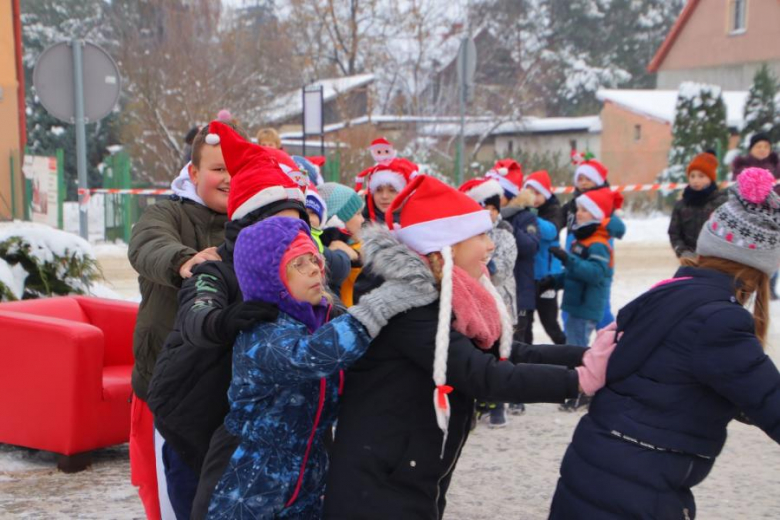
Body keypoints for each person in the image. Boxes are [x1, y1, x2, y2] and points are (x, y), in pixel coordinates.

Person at [324, 175, 616, 519]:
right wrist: (578, 382)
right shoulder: (407, 305)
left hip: (412, 470)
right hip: (379, 482)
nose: (489, 246)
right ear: (446, 245)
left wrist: (588, 357)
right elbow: (482, 374)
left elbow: (506, 352)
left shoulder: (449, 295)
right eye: (479, 235)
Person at [549, 167, 780, 520]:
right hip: (636, 490)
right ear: (760, 268)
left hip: (597, 470)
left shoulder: (672, 292)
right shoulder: (721, 321)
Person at [198, 216, 436, 519]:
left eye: (314, 258)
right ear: (270, 277)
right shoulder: (263, 333)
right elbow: (311, 357)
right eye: (298, 263)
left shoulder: (322, 320)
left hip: (308, 477)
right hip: (248, 483)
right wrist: (380, 306)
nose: (315, 268)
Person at [146, 121, 310, 520]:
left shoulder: (303, 270)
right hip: (192, 414)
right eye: (280, 224)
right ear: (253, 224)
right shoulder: (216, 268)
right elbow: (196, 315)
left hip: (250, 430)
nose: (291, 235)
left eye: (299, 224)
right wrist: (224, 320)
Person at [127, 120, 241, 520]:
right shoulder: (167, 213)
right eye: (218, 169)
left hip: (229, 389)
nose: (228, 178)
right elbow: (147, 245)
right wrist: (183, 260)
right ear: (193, 173)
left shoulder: (256, 220)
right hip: (170, 390)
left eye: (236, 168)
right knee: (178, 495)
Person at [460, 177, 519, 426]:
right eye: (481, 208)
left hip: (500, 303)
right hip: (474, 306)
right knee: (477, 354)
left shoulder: (504, 235)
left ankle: (498, 405)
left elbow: (504, 268)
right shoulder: (465, 235)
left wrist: (484, 265)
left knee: (498, 354)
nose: (487, 213)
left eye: (492, 208)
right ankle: (478, 403)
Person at [561, 159, 626, 329]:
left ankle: (611, 341)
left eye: (587, 179)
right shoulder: (573, 203)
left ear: (597, 181)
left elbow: (619, 228)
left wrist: (602, 222)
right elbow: (556, 219)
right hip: (574, 257)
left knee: (599, 307)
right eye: (580, 179)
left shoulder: (604, 205)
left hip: (596, 258)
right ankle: (572, 344)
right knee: (571, 304)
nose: (583, 183)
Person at [494, 161, 540, 345]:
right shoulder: (486, 216)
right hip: (496, 292)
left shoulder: (525, 216)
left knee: (519, 344)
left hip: (520, 294)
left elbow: (531, 246)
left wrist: (510, 229)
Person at [732, 133, 780, 298]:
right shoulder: (742, 167)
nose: (762, 150)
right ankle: (746, 285)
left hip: (773, 217)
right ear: (751, 148)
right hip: (748, 215)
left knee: (773, 251)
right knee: (747, 251)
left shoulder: (777, 165)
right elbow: (736, 190)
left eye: (766, 146)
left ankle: (770, 287)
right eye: (759, 146)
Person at [522, 170, 566, 345]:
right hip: (528, 277)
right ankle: (527, 356)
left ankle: (566, 350)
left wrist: (530, 218)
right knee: (526, 323)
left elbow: (551, 232)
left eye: (537, 193)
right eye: (529, 192)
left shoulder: (553, 209)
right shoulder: (524, 209)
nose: (533, 197)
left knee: (550, 323)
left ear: (546, 194)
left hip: (548, 278)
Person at [668, 152, 727, 260]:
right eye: (692, 176)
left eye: (701, 176)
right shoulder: (681, 205)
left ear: (711, 178)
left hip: (716, 260)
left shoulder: (721, 203)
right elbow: (674, 233)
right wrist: (682, 251)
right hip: (689, 260)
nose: (696, 180)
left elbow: (727, 232)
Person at [318, 182, 367, 304]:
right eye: (357, 214)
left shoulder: (359, 247)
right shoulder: (322, 252)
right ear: (339, 219)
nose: (363, 220)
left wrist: (357, 258)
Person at [304, 182, 351, 294]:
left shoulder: (326, 237)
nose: (308, 218)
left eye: (312, 213)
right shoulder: (306, 239)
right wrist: (343, 254)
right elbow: (337, 269)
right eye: (303, 212)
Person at [360, 158, 417, 224]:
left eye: (392, 190)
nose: (384, 196)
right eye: (378, 190)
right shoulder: (358, 227)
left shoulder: (422, 227)